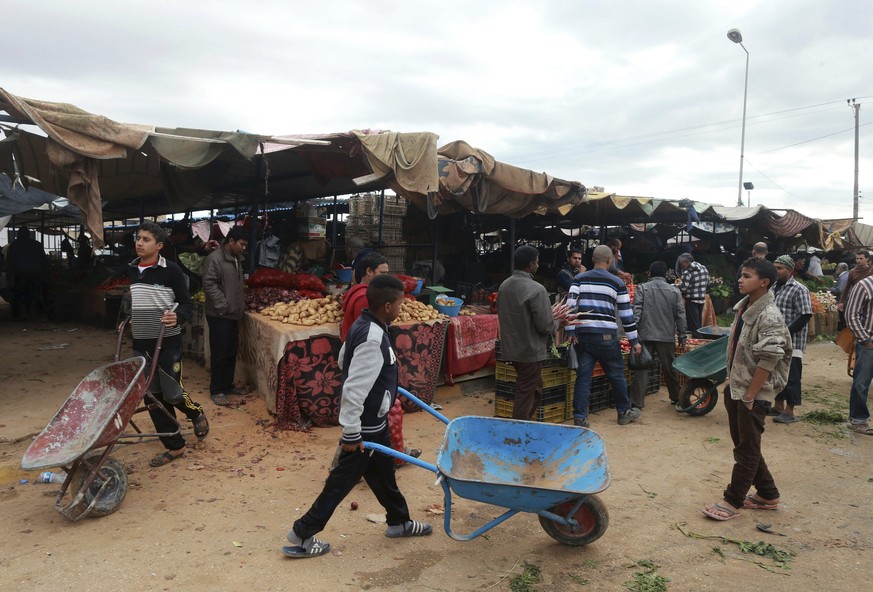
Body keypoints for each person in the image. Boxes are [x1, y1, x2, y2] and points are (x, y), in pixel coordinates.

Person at [283, 275, 432, 558]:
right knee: (340, 483)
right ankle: (301, 534)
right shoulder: (372, 337)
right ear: (388, 305)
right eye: (400, 303)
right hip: (363, 428)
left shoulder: (364, 325)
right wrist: (351, 433)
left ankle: (399, 521)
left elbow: (344, 362)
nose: (402, 308)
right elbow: (353, 388)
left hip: (375, 423)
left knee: (384, 474)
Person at [702, 258, 791, 521]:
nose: (740, 280)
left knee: (746, 450)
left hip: (754, 393)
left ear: (763, 282)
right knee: (746, 446)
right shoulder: (745, 307)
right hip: (737, 387)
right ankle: (767, 493)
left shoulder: (769, 315)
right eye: (741, 275)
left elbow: (769, 359)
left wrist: (751, 396)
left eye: (747, 276)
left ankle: (733, 501)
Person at [125, 221, 209, 467]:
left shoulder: (171, 270)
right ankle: (175, 445)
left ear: (159, 246)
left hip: (167, 341)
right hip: (141, 342)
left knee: (171, 393)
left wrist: (177, 316)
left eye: (146, 239)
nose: (139, 243)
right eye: (138, 238)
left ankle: (195, 413)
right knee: (152, 397)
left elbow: (186, 303)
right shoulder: (131, 270)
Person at [566, 245, 643, 427]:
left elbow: (569, 307)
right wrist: (634, 341)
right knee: (616, 375)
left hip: (583, 336)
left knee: (583, 377)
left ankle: (580, 417)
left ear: (592, 260)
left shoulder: (578, 279)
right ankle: (623, 412)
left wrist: (570, 332)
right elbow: (626, 314)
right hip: (607, 337)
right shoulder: (617, 283)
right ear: (610, 261)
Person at [497, 245, 569, 420]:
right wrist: (559, 322)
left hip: (512, 349)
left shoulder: (504, 285)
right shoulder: (536, 289)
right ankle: (519, 430)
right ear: (530, 264)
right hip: (529, 351)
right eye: (537, 262)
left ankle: (526, 423)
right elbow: (545, 326)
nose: (538, 265)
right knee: (525, 394)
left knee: (534, 389)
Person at [630, 261, 687, 412]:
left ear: (650, 273)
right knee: (670, 369)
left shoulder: (642, 288)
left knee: (641, 368)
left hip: (645, 335)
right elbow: (680, 315)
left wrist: (633, 333)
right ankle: (676, 397)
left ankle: (637, 402)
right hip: (666, 336)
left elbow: (636, 311)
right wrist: (682, 335)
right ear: (665, 274)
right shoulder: (674, 291)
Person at [202, 226, 249, 407]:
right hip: (219, 314)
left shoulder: (237, 259)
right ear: (231, 241)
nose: (244, 248)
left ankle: (227, 385)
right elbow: (209, 284)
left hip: (233, 314)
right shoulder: (214, 259)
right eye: (242, 244)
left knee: (230, 351)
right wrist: (224, 304)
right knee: (220, 353)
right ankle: (217, 390)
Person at [770, 255, 813, 423]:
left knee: (792, 376)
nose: (776, 271)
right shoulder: (773, 287)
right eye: (775, 267)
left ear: (789, 270)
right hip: (776, 341)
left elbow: (805, 316)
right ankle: (778, 406)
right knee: (777, 374)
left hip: (793, 342)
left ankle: (790, 411)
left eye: (779, 268)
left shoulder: (799, 289)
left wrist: (785, 333)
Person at [844, 274, 873, 435]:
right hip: (869, 343)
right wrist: (865, 339)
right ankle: (859, 420)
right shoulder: (864, 286)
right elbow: (851, 314)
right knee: (861, 382)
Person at [341, 252, 389, 341]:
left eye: (387, 273)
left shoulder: (356, 291)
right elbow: (365, 332)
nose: (386, 277)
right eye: (382, 273)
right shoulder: (364, 297)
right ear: (369, 271)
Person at [5, 226, 49, 321]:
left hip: (20, 275)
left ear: (18, 234)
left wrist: (10, 279)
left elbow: (10, 263)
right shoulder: (36, 244)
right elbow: (44, 261)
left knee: (21, 295)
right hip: (35, 274)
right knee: (33, 295)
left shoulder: (14, 246)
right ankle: (32, 315)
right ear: (29, 234)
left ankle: (23, 315)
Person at [677, 253, 709, 338]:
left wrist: (673, 286)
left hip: (692, 299)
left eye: (681, 263)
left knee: (693, 323)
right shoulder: (703, 268)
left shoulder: (687, 273)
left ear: (685, 262)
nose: (681, 265)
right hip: (702, 298)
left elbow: (683, 288)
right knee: (698, 320)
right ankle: (700, 336)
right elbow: (707, 282)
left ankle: (697, 340)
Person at [838, 251, 873, 315]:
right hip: (857, 299)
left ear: (867, 259)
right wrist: (841, 302)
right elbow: (847, 288)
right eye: (857, 259)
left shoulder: (871, 270)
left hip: (870, 299)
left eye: (861, 258)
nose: (858, 261)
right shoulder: (852, 272)